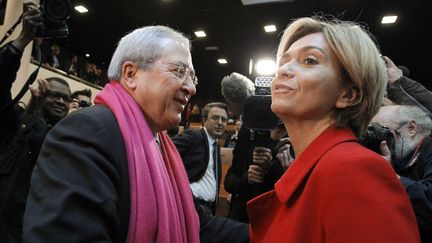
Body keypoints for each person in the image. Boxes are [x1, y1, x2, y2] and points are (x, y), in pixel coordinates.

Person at [246, 17, 420, 242]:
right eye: (284, 61)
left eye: (309, 60)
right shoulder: (316, 168)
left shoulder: (356, 170)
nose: (283, 70)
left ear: (348, 94)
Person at [23, 25, 200, 242]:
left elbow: (198, 221)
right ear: (131, 74)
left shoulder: (161, 143)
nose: (191, 88)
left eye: (192, 77)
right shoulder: (86, 131)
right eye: (179, 72)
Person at [0, 3, 71, 242]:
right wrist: (22, 40)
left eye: (66, 99)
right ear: (39, 93)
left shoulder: (71, 141)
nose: (61, 101)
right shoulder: (17, 124)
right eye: (54, 95)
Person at [372, 105, 432, 242]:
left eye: (384, 131)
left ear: (411, 128)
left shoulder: (429, 149)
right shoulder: (399, 156)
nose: (381, 139)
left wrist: (391, 176)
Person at [224, 124, 289, 223]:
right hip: (241, 217)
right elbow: (229, 182)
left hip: (272, 218)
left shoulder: (292, 135)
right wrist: (247, 180)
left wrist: (270, 167)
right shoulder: (247, 130)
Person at [172, 102, 228, 215]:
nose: (220, 123)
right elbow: (165, 151)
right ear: (205, 120)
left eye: (224, 119)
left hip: (207, 210)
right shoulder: (194, 136)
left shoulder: (216, 146)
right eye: (215, 118)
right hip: (189, 206)